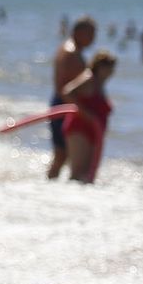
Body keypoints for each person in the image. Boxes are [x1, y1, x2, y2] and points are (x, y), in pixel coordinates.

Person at [49, 16, 96, 179]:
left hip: (66, 104)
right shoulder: (71, 53)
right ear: (78, 32)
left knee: (65, 154)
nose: (93, 38)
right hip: (65, 105)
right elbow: (65, 90)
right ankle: (50, 184)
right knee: (62, 153)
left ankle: (52, 185)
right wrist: (84, 113)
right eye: (90, 33)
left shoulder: (72, 50)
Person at [59, 51, 117, 184]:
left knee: (86, 175)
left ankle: (83, 201)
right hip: (79, 128)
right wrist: (86, 114)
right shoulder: (88, 77)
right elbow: (67, 92)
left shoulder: (100, 84)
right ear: (99, 66)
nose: (111, 72)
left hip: (94, 131)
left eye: (112, 68)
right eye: (108, 68)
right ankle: (66, 199)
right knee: (77, 172)